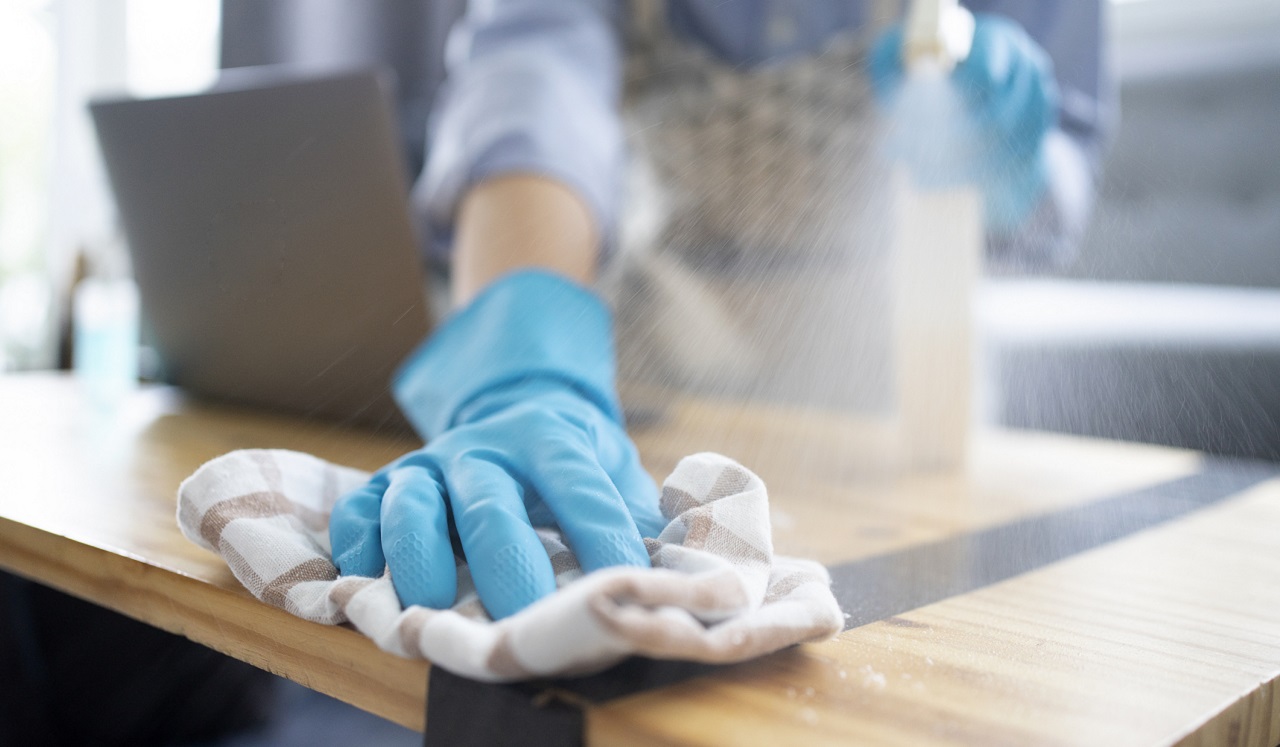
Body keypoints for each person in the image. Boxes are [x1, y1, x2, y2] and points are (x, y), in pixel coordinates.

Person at [329, 0, 1111, 621]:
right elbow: (536, 79)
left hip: (900, 399)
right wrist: (518, 364)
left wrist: (1018, 158)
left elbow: (1062, 170)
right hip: (668, 369)